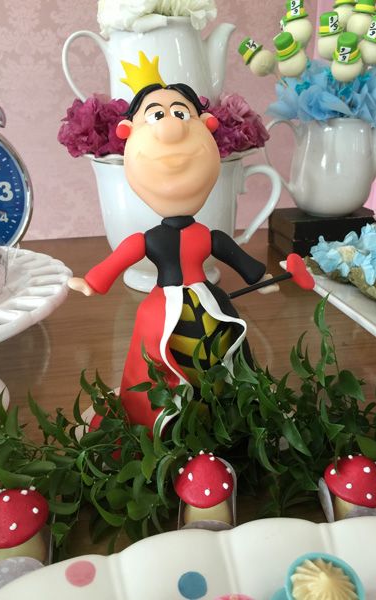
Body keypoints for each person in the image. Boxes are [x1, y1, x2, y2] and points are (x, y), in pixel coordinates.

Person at [68, 63, 276, 434]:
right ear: (128, 134)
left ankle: (225, 415)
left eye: (181, 114)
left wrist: (260, 278)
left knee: (227, 354)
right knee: (157, 363)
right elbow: (119, 259)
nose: (171, 128)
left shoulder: (207, 236)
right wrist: (92, 281)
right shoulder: (150, 240)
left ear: (207, 127)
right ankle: (160, 422)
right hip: (162, 313)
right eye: (156, 116)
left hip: (211, 307)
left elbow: (237, 257)